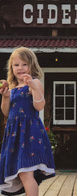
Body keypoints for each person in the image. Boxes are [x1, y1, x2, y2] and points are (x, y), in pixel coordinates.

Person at [0, 47, 55, 196]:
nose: (20, 68)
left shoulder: (34, 83)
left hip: (29, 134)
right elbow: (6, 113)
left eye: (24, 64)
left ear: (32, 65)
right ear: (11, 67)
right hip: (14, 136)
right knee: (18, 172)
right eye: (16, 65)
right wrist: (5, 97)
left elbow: (39, 105)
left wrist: (34, 87)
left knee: (25, 173)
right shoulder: (12, 88)